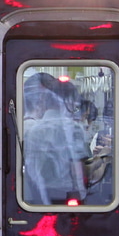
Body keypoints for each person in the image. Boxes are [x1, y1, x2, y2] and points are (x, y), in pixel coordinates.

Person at [21, 73, 91, 206]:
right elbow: (77, 167)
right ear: (69, 101)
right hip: (67, 194)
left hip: (38, 195)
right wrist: (82, 195)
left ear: (44, 101)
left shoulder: (32, 132)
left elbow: (30, 169)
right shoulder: (74, 129)